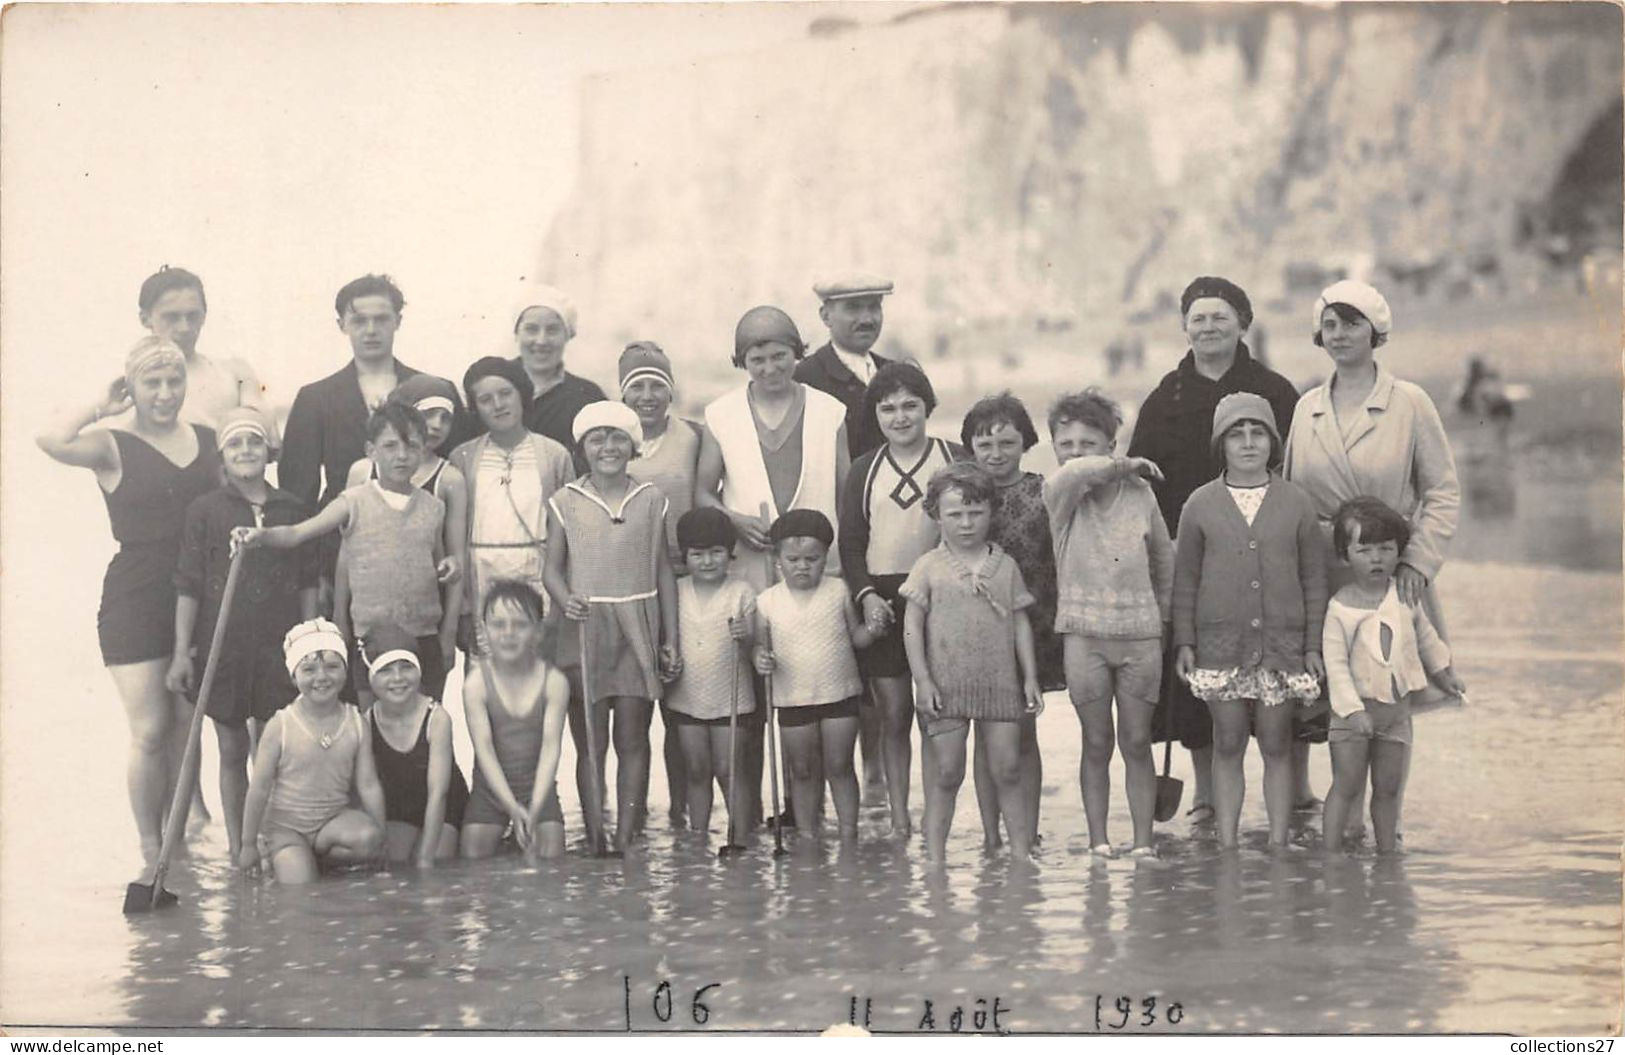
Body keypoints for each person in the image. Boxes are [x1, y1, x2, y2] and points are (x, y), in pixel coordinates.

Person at [36, 336, 221, 876]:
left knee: (187, 727)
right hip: (136, 595)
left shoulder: (206, 439)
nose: (165, 394)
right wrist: (100, 404)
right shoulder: (111, 444)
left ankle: (180, 846)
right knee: (149, 729)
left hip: (197, 593)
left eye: (174, 382)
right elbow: (48, 438)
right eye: (152, 384)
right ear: (133, 388)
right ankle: (149, 846)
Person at [1284, 279, 1461, 838]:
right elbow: (1291, 492)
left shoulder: (1410, 402)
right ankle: (1340, 825)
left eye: (1352, 323)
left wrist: (1418, 563)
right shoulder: (1307, 406)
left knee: (1387, 698)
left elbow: (1443, 490)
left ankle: (1385, 829)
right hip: (1323, 569)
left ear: (1375, 330)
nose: (1339, 335)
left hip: (1389, 568)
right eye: (1330, 325)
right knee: (1329, 695)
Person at [1127, 276, 1302, 827]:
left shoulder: (1274, 390)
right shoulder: (1166, 396)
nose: (1208, 327)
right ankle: (1205, 792)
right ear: (1184, 327)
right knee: (1199, 675)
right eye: (1198, 318)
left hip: (1266, 546)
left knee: (1282, 665)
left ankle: (1296, 788)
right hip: (1191, 552)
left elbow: (1299, 468)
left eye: (1220, 317)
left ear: (1243, 323)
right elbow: (1142, 477)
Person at [695, 306, 852, 828]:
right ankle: (755, 807)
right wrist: (734, 519)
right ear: (742, 361)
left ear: (796, 354)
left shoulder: (830, 410)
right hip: (752, 568)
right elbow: (702, 490)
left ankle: (804, 809)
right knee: (755, 675)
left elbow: (845, 492)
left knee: (809, 680)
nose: (769, 368)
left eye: (779, 355)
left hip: (814, 570)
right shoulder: (720, 414)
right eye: (757, 358)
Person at [1173, 394, 1327, 850]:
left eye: (1257, 433)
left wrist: (1313, 645)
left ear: (1272, 442)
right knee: (1228, 741)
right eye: (1236, 434)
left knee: (1278, 742)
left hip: (1282, 646)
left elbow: (1314, 581)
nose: (1247, 443)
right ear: (1220, 443)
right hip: (1221, 645)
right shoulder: (1199, 505)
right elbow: (1185, 581)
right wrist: (1184, 640)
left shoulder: (1297, 503)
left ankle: (1279, 843)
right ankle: (1227, 845)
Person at [169, 407, 320, 864]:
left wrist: (309, 640)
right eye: (235, 444)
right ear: (222, 454)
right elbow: (188, 584)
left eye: (254, 442)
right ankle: (238, 847)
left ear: (269, 451)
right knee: (232, 745)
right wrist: (181, 653)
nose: (246, 451)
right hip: (225, 645)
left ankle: (273, 840)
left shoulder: (291, 508)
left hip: (279, 643)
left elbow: (309, 580)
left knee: (274, 746)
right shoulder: (206, 510)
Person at [235, 403, 459, 704]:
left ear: (422, 451)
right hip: (370, 636)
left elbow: (440, 565)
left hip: (423, 636)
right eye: (390, 446)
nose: (402, 456)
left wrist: (450, 569)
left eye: (412, 446)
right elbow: (298, 532)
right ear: (371, 450)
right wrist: (260, 536)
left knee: (426, 721)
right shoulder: (353, 501)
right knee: (369, 724)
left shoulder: (434, 507)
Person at [544, 401, 679, 852]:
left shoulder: (652, 498)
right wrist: (566, 600)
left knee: (633, 737)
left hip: (638, 622)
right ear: (582, 447)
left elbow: (663, 571)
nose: (608, 447)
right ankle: (597, 837)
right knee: (591, 742)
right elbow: (551, 570)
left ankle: (625, 835)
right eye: (597, 439)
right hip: (585, 626)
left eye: (618, 437)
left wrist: (671, 638)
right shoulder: (566, 500)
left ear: (633, 444)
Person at [1044, 390, 1172, 858]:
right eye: (1066, 443)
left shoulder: (1141, 492)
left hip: (1141, 639)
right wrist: (1120, 464)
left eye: (1089, 443)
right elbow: (1078, 474)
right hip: (1084, 637)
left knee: (1137, 741)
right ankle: (1099, 842)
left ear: (1112, 444)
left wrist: (1165, 620)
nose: (1076, 454)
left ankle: (1142, 843)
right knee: (1095, 741)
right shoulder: (1060, 494)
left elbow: (1163, 559)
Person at [838, 362, 959, 838]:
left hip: (938, 594)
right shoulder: (864, 469)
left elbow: (968, 527)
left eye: (910, 405)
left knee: (935, 711)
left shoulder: (952, 456)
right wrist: (866, 595)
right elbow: (850, 544)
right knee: (893, 714)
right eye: (888, 408)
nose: (900, 417)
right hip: (883, 600)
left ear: (927, 406)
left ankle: (934, 814)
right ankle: (899, 817)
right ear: (876, 415)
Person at [901, 462, 1044, 864]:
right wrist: (923, 681)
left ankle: (1019, 856)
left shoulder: (1006, 565)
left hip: (1000, 685)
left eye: (976, 513)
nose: (966, 523)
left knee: (1008, 769)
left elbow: (1020, 623)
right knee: (947, 773)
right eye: (955, 514)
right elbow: (912, 627)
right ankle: (935, 858)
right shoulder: (927, 567)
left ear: (991, 512)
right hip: (944, 687)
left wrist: (1029, 676)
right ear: (936, 514)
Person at [1321, 497, 1465, 854]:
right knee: (1346, 785)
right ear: (1344, 555)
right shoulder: (1340, 608)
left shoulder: (1404, 598)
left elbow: (1427, 639)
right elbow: (1335, 666)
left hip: (1396, 715)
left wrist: (1444, 674)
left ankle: (1388, 856)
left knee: (1387, 789)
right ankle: (1331, 856)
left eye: (1386, 549)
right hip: (1351, 718)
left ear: (1400, 552)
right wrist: (1353, 711)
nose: (1376, 558)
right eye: (1364, 550)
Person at [797, 274, 895, 796]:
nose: (866, 319)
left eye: (873, 307)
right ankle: (826, 783)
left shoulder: (896, 372)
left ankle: (877, 778)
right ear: (825, 317)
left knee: (879, 660)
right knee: (829, 660)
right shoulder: (806, 375)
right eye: (853, 308)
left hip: (886, 533)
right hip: (831, 535)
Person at [280, 274, 436, 591]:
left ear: (398, 321)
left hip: (417, 546)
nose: (370, 330)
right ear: (342, 325)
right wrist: (314, 574)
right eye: (359, 320)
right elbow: (298, 494)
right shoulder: (316, 397)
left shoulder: (429, 390)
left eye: (381, 319)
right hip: (341, 547)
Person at [961, 392, 1060, 851]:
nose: (995, 454)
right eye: (984, 445)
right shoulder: (964, 497)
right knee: (985, 737)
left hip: (1033, 629)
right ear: (971, 448)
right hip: (977, 631)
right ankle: (989, 834)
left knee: (1023, 735)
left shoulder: (1044, 491)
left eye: (1006, 443)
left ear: (1026, 443)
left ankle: (1029, 828)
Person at [335, 373, 470, 696]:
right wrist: (340, 615)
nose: (436, 425)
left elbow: (455, 562)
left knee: (424, 707)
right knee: (373, 706)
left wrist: (449, 631)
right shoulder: (362, 472)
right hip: (371, 621)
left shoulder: (449, 478)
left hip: (424, 622)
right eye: (427, 415)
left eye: (445, 417)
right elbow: (346, 554)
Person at [753, 510, 876, 841]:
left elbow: (857, 638)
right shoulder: (766, 602)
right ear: (777, 559)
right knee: (803, 770)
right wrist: (759, 658)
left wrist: (875, 629)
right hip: (792, 698)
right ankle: (808, 836)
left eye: (812, 558)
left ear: (825, 557)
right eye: (793, 559)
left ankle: (849, 834)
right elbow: (758, 651)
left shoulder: (837, 591)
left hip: (840, 694)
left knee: (839, 765)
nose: (802, 566)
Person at [620, 341, 702, 823]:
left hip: (683, 580)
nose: (647, 396)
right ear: (623, 395)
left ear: (670, 393)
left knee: (681, 709)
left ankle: (681, 814)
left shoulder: (693, 436)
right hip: (629, 584)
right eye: (637, 387)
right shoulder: (608, 439)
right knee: (634, 713)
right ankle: (632, 816)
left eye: (657, 386)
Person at [238, 619, 386, 883]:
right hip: (286, 830)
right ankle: (288, 859)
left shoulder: (356, 721)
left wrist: (381, 836)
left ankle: (320, 860)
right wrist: (248, 844)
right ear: (293, 677)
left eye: (332, 666)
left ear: (345, 670)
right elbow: (258, 788)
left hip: (332, 823)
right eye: (309, 669)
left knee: (368, 838)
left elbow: (368, 784)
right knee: (301, 891)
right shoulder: (280, 726)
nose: (321, 677)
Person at [460, 581, 572, 860]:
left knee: (551, 863)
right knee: (472, 863)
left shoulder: (554, 682)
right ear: (484, 629)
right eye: (498, 625)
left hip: (539, 791)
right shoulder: (476, 684)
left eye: (520, 625)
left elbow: (550, 748)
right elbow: (484, 750)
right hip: (489, 793)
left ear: (538, 631)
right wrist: (511, 807)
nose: (508, 634)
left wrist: (533, 808)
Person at [664, 508, 758, 837]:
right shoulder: (675, 591)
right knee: (696, 769)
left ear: (729, 553)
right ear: (685, 556)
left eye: (716, 552)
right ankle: (698, 837)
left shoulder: (742, 592)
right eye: (698, 554)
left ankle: (740, 838)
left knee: (729, 769)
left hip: (731, 698)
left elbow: (756, 647)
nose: (707, 562)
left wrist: (746, 635)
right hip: (687, 697)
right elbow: (667, 641)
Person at [362, 625, 469, 866]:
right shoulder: (366, 723)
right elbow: (369, 788)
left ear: (419, 672)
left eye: (406, 667)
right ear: (371, 678)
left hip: (444, 807)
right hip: (400, 809)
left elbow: (439, 793)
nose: (397, 678)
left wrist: (425, 859)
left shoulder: (437, 718)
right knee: (394, 863)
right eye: (386, 670)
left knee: (436, 860)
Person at [132, 265, 273, 434]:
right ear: (145, 319)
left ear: (204, 316)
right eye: (172, 317)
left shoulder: (235, 373)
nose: (184, 327)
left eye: (193, 316)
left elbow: (266, 432)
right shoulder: (130, 384)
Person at [509, 284, 607, 474]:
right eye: (531, 329)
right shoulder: (492, 388)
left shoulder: (587, 397)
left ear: (567, 335)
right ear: (516, 333)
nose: (541, 340)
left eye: (552, 330)